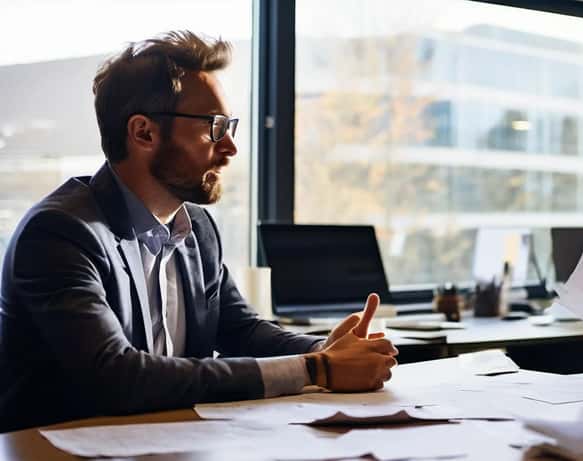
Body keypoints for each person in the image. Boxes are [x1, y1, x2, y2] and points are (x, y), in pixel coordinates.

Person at [0, 31, 397, 432]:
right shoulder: (61, 232)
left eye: (230, 128)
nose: (230, 148)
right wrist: (318, 369)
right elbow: (116, 377)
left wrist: (326, 350)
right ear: (144, 133)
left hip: (169, 441)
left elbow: (241, 329)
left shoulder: (197, 229)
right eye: (214, 127)